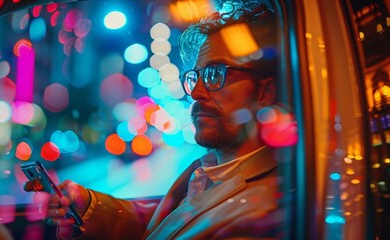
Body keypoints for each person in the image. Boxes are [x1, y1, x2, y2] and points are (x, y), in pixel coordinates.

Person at [24, 0, 284, 239]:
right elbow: (164, 226)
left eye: (216, 74)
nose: (195, 92)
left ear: (264, 92)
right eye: (196, 76)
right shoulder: (208, 172)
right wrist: (88, 204)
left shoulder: (264, 211)